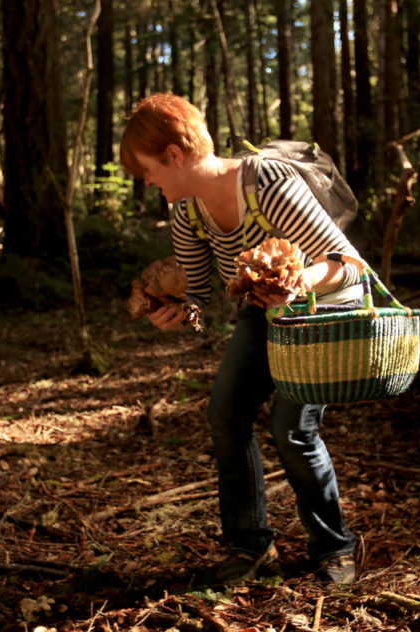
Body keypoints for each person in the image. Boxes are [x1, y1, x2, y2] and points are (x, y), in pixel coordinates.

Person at [120, 93, 362, 586]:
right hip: (263, 312)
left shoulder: (265, 184)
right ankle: (251, 546)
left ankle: (335, 546)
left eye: (147, 170)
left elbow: (349, 266)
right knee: (226, 414)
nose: (147, 182)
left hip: (320, 311)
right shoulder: (187, 210)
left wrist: (298, 282)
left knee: (290, 429)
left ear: (173, 155)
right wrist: (178, 315)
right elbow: (200, 295)